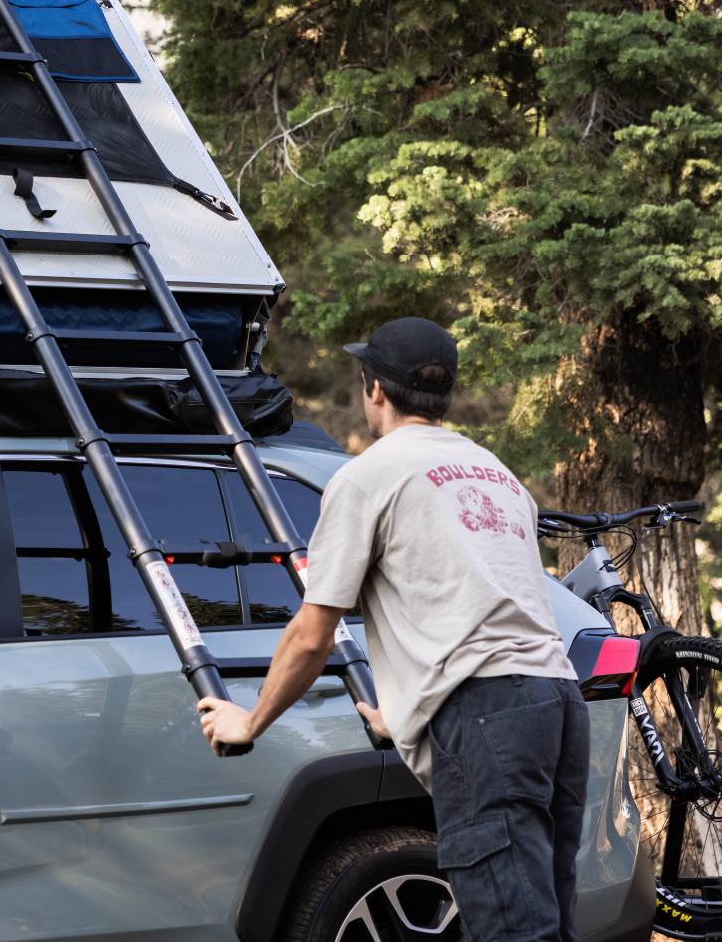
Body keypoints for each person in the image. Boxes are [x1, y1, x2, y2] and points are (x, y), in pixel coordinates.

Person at [198, 316, 588, 942]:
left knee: (514, 931)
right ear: (445, 394)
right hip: (557, 705)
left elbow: (312, 632)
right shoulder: (496, 475)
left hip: (487, 717)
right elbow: (482, 605)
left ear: (374, 388)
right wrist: (408, 712)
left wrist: (249, 721)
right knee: (546, 920)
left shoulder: (367, 477)